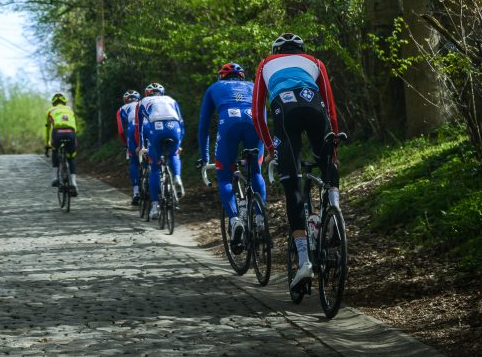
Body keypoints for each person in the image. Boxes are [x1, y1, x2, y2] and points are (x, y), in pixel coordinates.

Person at [252, 33, 341, 289]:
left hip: (285, 111)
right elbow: (331, 108)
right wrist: (333, 148)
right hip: (314, 107)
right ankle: (334, 211)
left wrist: (270, 148)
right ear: (301, 50)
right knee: (327, 166)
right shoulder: (315, 61)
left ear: (275, 51)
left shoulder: (265, 64)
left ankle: (304, 262)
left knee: (294, 190)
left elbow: (257, 115)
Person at [197, 63, 265, 250]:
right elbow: (263, 113)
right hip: (255, 121)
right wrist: (267, 144)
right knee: (256, 171)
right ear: (242, 76)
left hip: (229, 121)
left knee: (224, 175)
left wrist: (204, 157)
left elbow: (203, 126)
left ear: (222, 77)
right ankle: (260, 219)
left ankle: (235, 220)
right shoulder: (253, 85)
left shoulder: (214, 87)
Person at [136, 83, 185, 219]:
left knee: (155, 167)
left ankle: (155, 206)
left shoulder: (142, 102)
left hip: (156, 129)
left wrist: (140, 146)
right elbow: (181, 123)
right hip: (174, 128)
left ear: (148, 94)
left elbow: (139, 127)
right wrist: (179, 143)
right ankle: (177, 177)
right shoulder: (171, 100)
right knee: (174, 154)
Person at [45, 92, 78, 196]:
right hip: (71, 133)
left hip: (57, 133)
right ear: (64, 102)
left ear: (53, 103)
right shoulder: (70, 110)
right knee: (71, 158)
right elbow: (74, 126)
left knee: (55, 150)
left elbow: (47, 129)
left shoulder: (50, 111)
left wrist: (47, 144)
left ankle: (55, 178)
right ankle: (73, 183)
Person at [116, 90, 142, 205]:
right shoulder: (144, 103)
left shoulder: (122, 109)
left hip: (132, 129)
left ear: (125, 100)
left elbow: (121, 131)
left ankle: (136, 192)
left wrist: (126, 145)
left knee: (134, 162)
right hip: (147, 128)